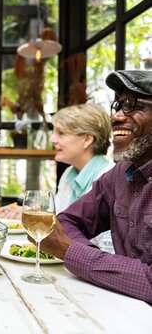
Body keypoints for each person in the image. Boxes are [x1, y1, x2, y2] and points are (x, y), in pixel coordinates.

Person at [41, 70, 152, 304]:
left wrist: (74, 253)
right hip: (120, 307)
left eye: (133, 105)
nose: (116, 117)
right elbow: (67, 221)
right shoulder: (118, 175)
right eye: (118, 105)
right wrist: (96, 263)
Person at [50, 103, 115, 252]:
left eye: (61, 133)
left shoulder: (110, 178)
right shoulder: (68, 174)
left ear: (87, 140)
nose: (52, 139)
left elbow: (108, 249)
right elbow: (56, 223)